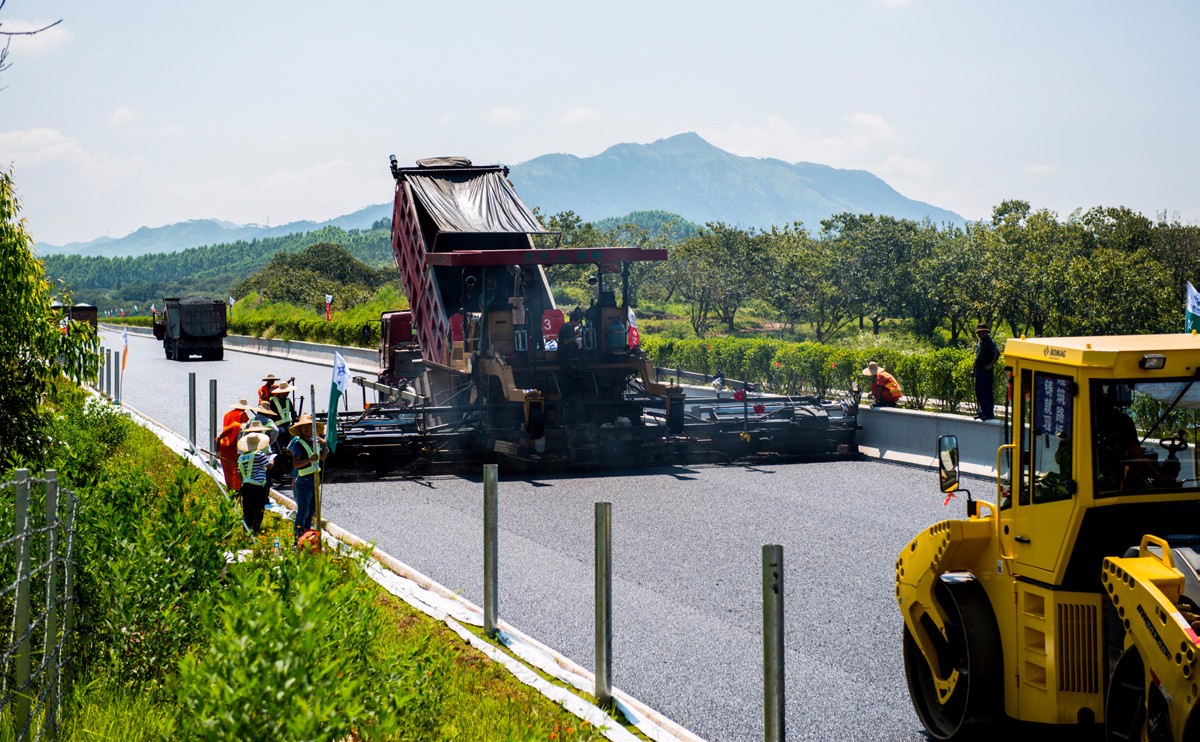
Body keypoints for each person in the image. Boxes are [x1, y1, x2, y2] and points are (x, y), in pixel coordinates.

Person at [287, 413, 326, 544]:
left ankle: (307, 536)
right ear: (301, 430)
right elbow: (295, 464)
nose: (308, 430)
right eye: (305, 428)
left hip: (314, 480)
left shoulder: (315, 442)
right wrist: (309, 460)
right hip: (304, 481)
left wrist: (324, 445)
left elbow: (323, 458)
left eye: (310, 427)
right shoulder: (299, 444)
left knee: (312, 511)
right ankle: (297, 539)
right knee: (303, 512)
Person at [236, 422, 275, 533]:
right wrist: (272, 460)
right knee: (259, 507)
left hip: (246, 485)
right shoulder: (259, 454)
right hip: (258, 485)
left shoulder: (242, 457)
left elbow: (239, 472)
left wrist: (243, 482)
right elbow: (269, 466)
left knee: (247, 508)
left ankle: (247, 528)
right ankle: (256, 528)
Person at [217, 398, 254, 492]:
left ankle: (230, 489)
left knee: (227, 471)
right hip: (233, 446)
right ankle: (236, 490)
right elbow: (245, 428)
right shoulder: (242, 415)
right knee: (236, 469)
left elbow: (223, 432)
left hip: (223, 445)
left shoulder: (227, 414)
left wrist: (217, 449)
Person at [973, 323, 1001, 420]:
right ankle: (982, 412)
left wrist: (990, 365)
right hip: (979, 371)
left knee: (986, 393)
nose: (980, 334)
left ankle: (989, 413)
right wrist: (973, 369)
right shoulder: (980, 343)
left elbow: (997, 352)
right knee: (979, 393)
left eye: (982, 332)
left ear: (986, 332)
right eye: (979, 333)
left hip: (986, 373)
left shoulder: (990, 342)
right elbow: (977, 357)